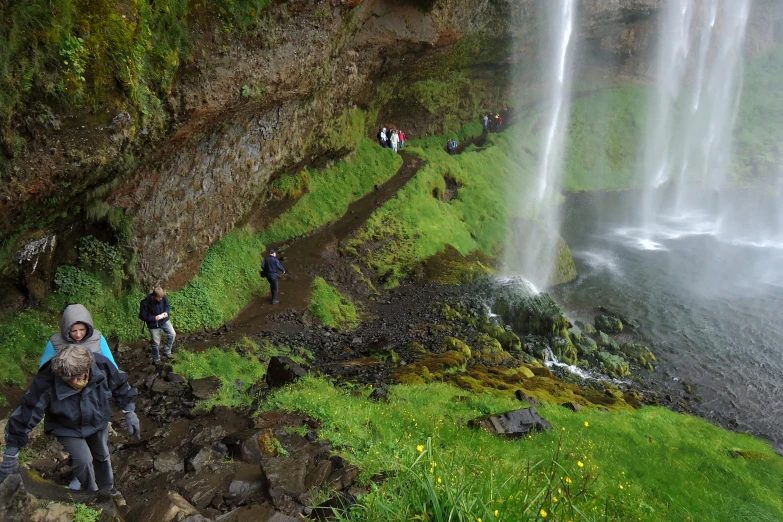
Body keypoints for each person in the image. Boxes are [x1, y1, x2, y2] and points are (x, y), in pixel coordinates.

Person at [0, 345, 139, 497]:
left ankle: (107, 490)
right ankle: (91, 494)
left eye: (77, 376)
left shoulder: (102, 365)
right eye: (68, 378)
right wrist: (11, 454)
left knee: (102, 456)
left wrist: (129, 411)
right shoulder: (49, 376)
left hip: (97, 420)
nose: (73, 380)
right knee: (84, 461)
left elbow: (120, 384)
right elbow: (29, 409)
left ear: (87, 367)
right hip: (65, 426)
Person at [40, 303, 118, 369]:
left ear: (87, 327)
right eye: (73, 331)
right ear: (66, 329)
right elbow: (43, 370)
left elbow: (112, 366)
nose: (78, 334)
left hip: (96, 383)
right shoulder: (55, 341)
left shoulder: (98, 338)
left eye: (82, 330)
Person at [139, 287, 176, 364]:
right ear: (154, 296)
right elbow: (142, 316)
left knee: (172, 334)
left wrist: (166, 312)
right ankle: (156, 359)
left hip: (164, 321)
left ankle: (167, 351)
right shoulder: (145, 303)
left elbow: (167, 306)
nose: (161, 299)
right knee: (156, 343)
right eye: (159, 298)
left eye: (162, 297)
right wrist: (154, 318)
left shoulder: (163, 298)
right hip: (153, 324)